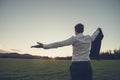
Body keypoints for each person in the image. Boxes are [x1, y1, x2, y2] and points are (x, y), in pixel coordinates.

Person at [31, 23, 101, 80]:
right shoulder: (89, 38)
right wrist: (98, 30)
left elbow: (59, 44)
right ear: (83, 30)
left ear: (75, 30)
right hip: (87, 65)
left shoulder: (74, 38)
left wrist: (44, 45)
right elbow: (95, 35)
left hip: (76, 66)